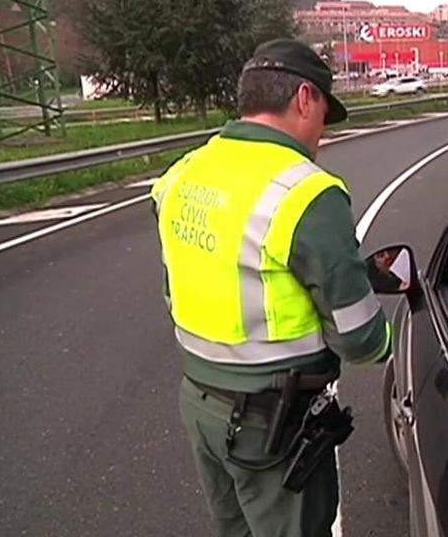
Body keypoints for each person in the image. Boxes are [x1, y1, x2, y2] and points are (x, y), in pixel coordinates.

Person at [151, 38, 391, 537]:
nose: (323, 132)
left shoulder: (183, 176)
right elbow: (359, 337)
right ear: (305, 97)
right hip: (271, 425)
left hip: (199, 404)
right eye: (325, 111)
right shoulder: (306, 191)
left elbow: (184, 283)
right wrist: (384, 338)